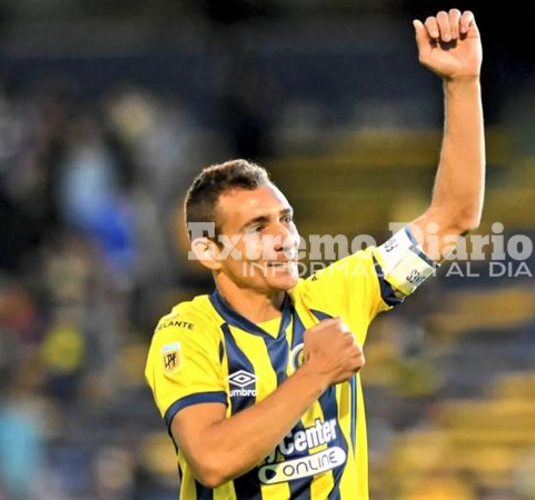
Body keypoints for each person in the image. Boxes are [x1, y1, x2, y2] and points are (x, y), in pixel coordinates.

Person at [144, 8, 485, 500]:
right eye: (258, 227)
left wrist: (464, 82)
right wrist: (318, 372)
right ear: (209, 251)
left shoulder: (337, 294)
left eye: (287, 219)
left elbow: (452, 217)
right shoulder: (187, 333)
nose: (284, 237)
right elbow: (212, 461)